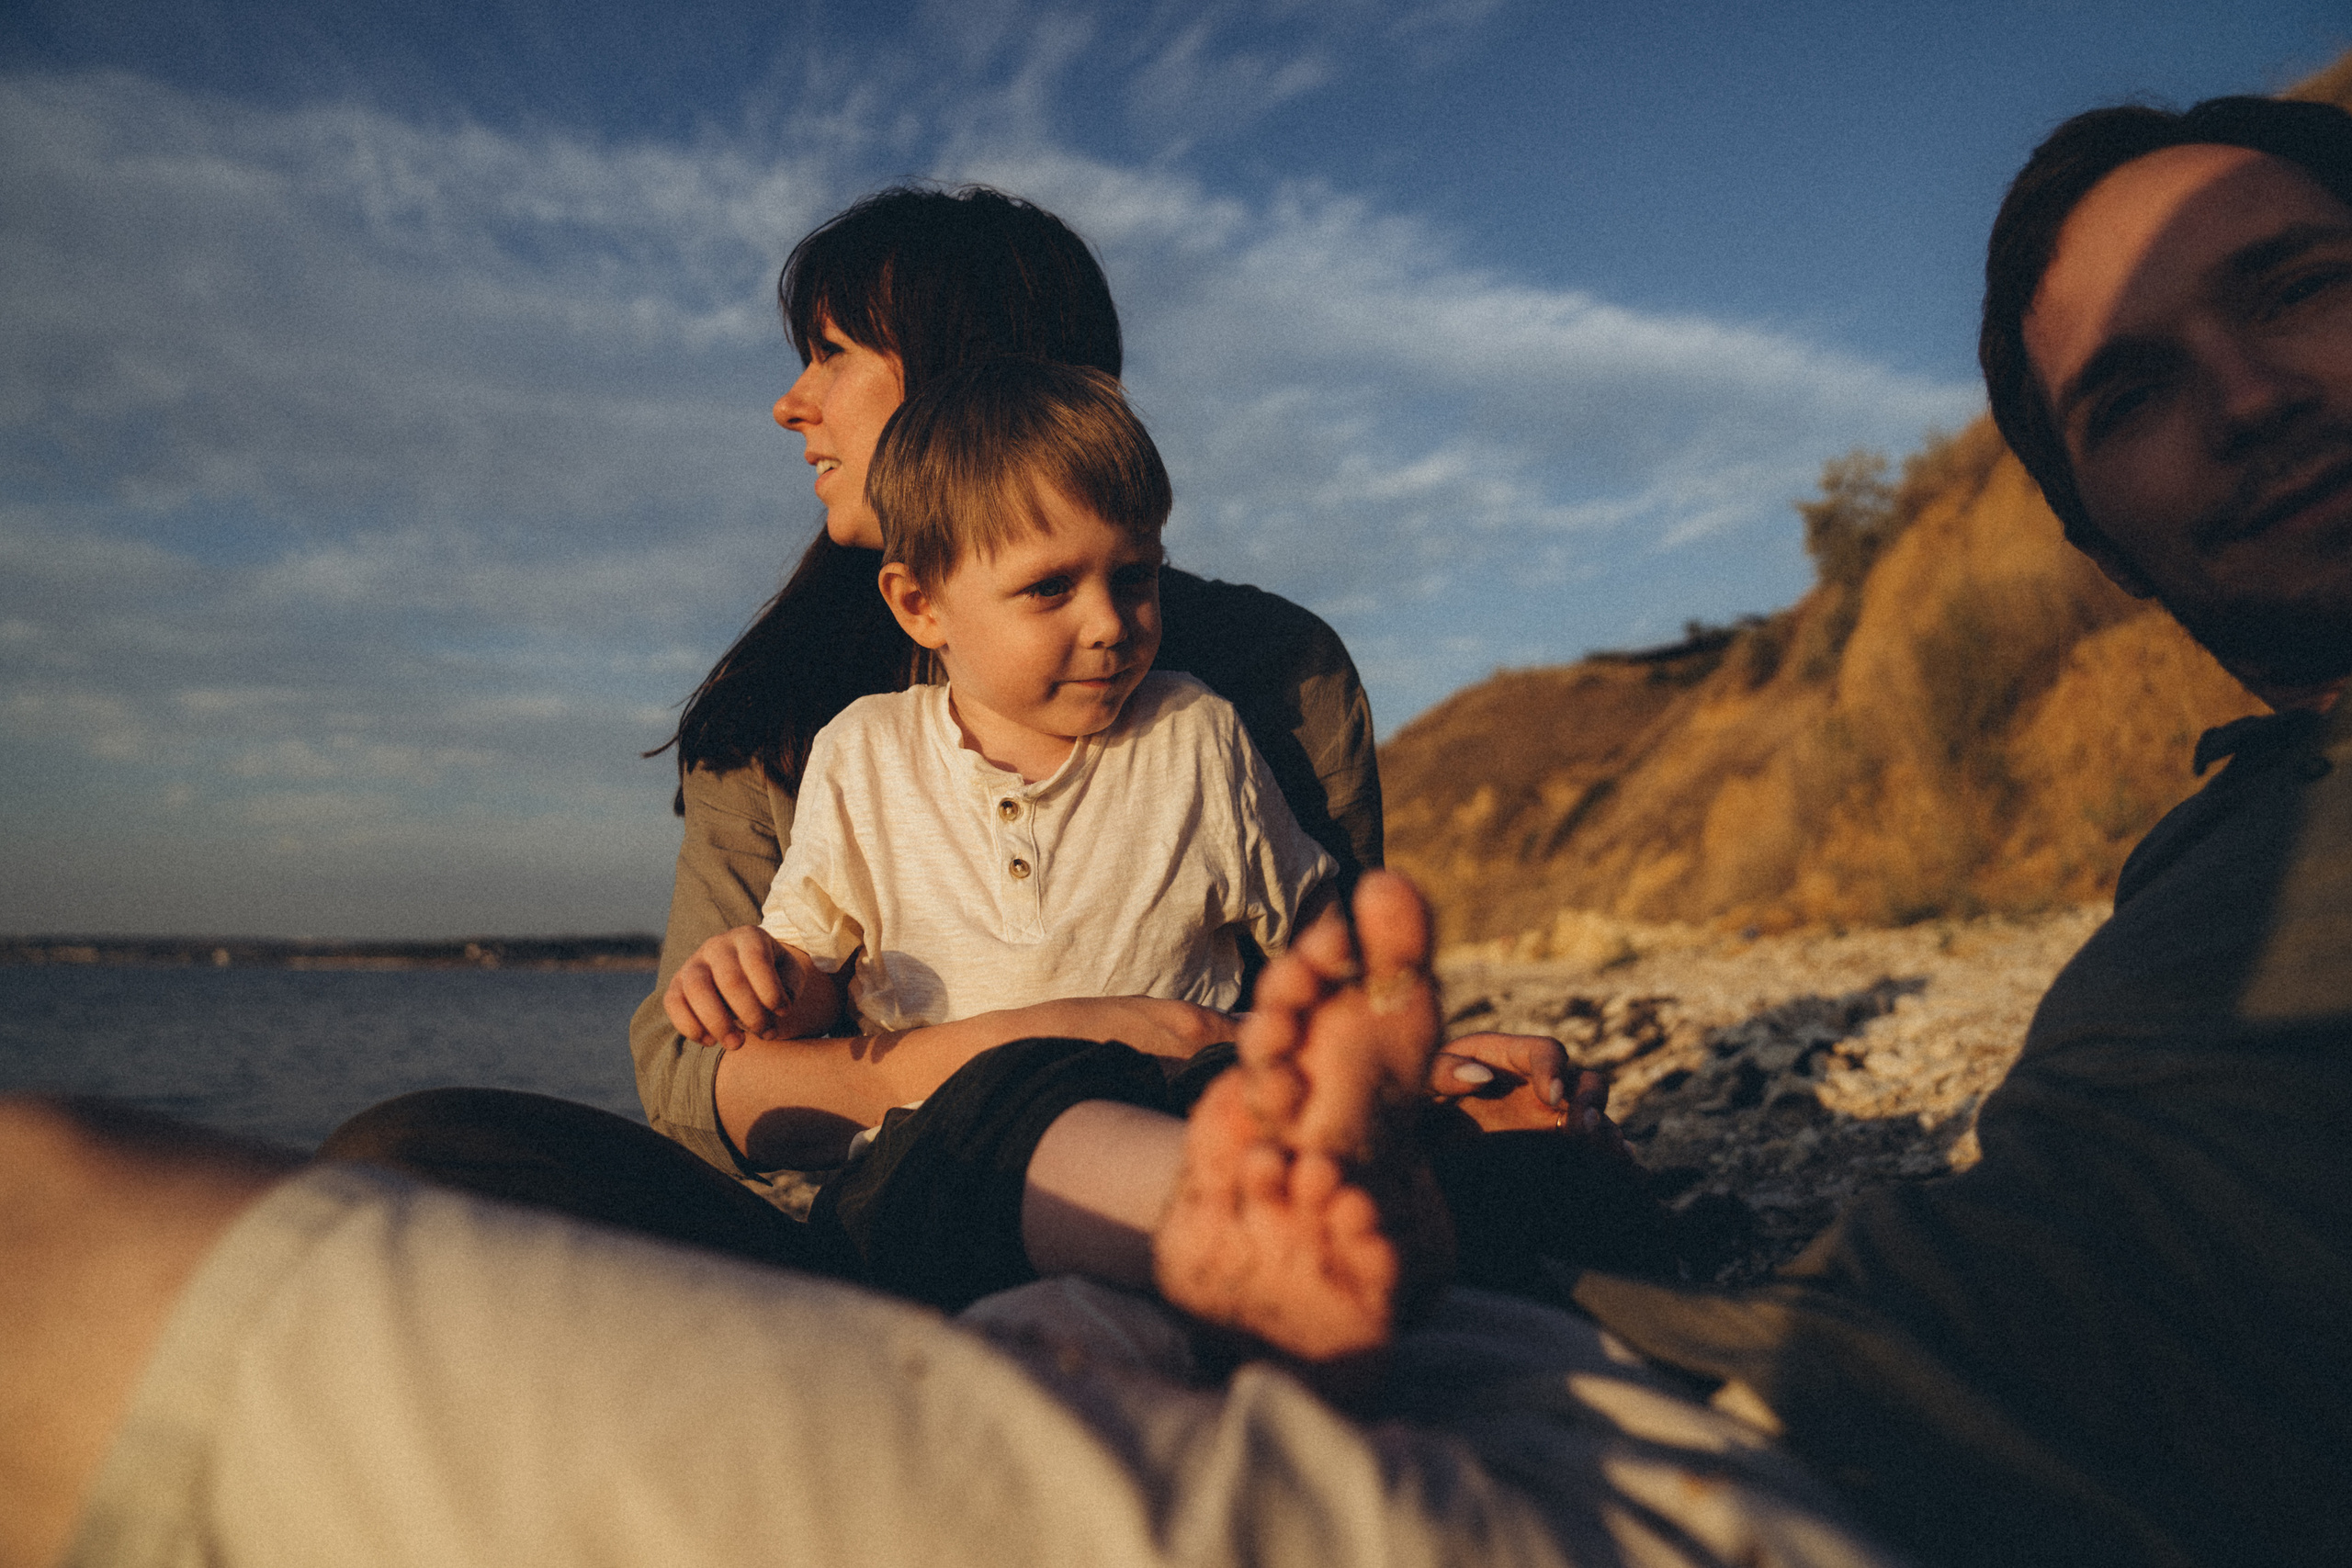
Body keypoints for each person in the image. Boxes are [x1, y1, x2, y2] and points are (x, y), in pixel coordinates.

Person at [322, 185, 1617, 1311]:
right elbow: (695, 1085)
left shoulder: (1255, 680)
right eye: (1051, 591)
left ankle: (1286, 1265)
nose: (792, 402)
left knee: (1531, 1157)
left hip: (1202, 1138)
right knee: (406, 1156)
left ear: (970, 375)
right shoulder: (796, 716)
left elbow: (1323, 980)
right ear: (915, 605)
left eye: (831, 353)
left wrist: (1432, 1076)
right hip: (869, 1207)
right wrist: (1052, 1033)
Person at [665, 359, 1334, 1054]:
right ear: (921, 606)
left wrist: (1366, 1042)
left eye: (1135, 576)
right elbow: (818, 972)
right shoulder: (865, 752)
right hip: (960, 1135)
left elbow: (1313, 930)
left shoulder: (1194, 734)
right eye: (1050, 588)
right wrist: (755, 984)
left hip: (1187, 1110)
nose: (1109, 622)